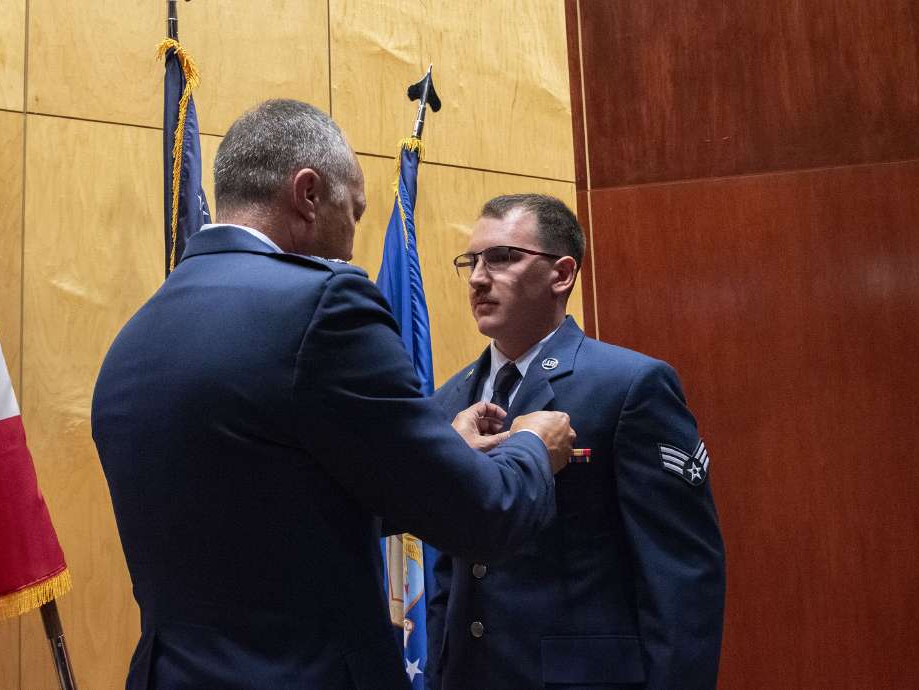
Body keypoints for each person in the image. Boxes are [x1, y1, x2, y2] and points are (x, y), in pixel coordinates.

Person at [91, 100, 577, 690]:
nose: (350, 245)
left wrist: (436, 456)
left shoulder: (135, 337)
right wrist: (530, 446)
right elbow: (482, 518)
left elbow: (270, 521)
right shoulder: (322, 306)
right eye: (354, 212)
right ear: (308, 194)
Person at [426, 194, 727, 690]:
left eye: (502, 257)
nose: (479, 277)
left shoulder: (629, 386)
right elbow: (447, 569)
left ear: (561, 275)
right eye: (472, 260)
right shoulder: (449, 401)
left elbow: (681, 577)